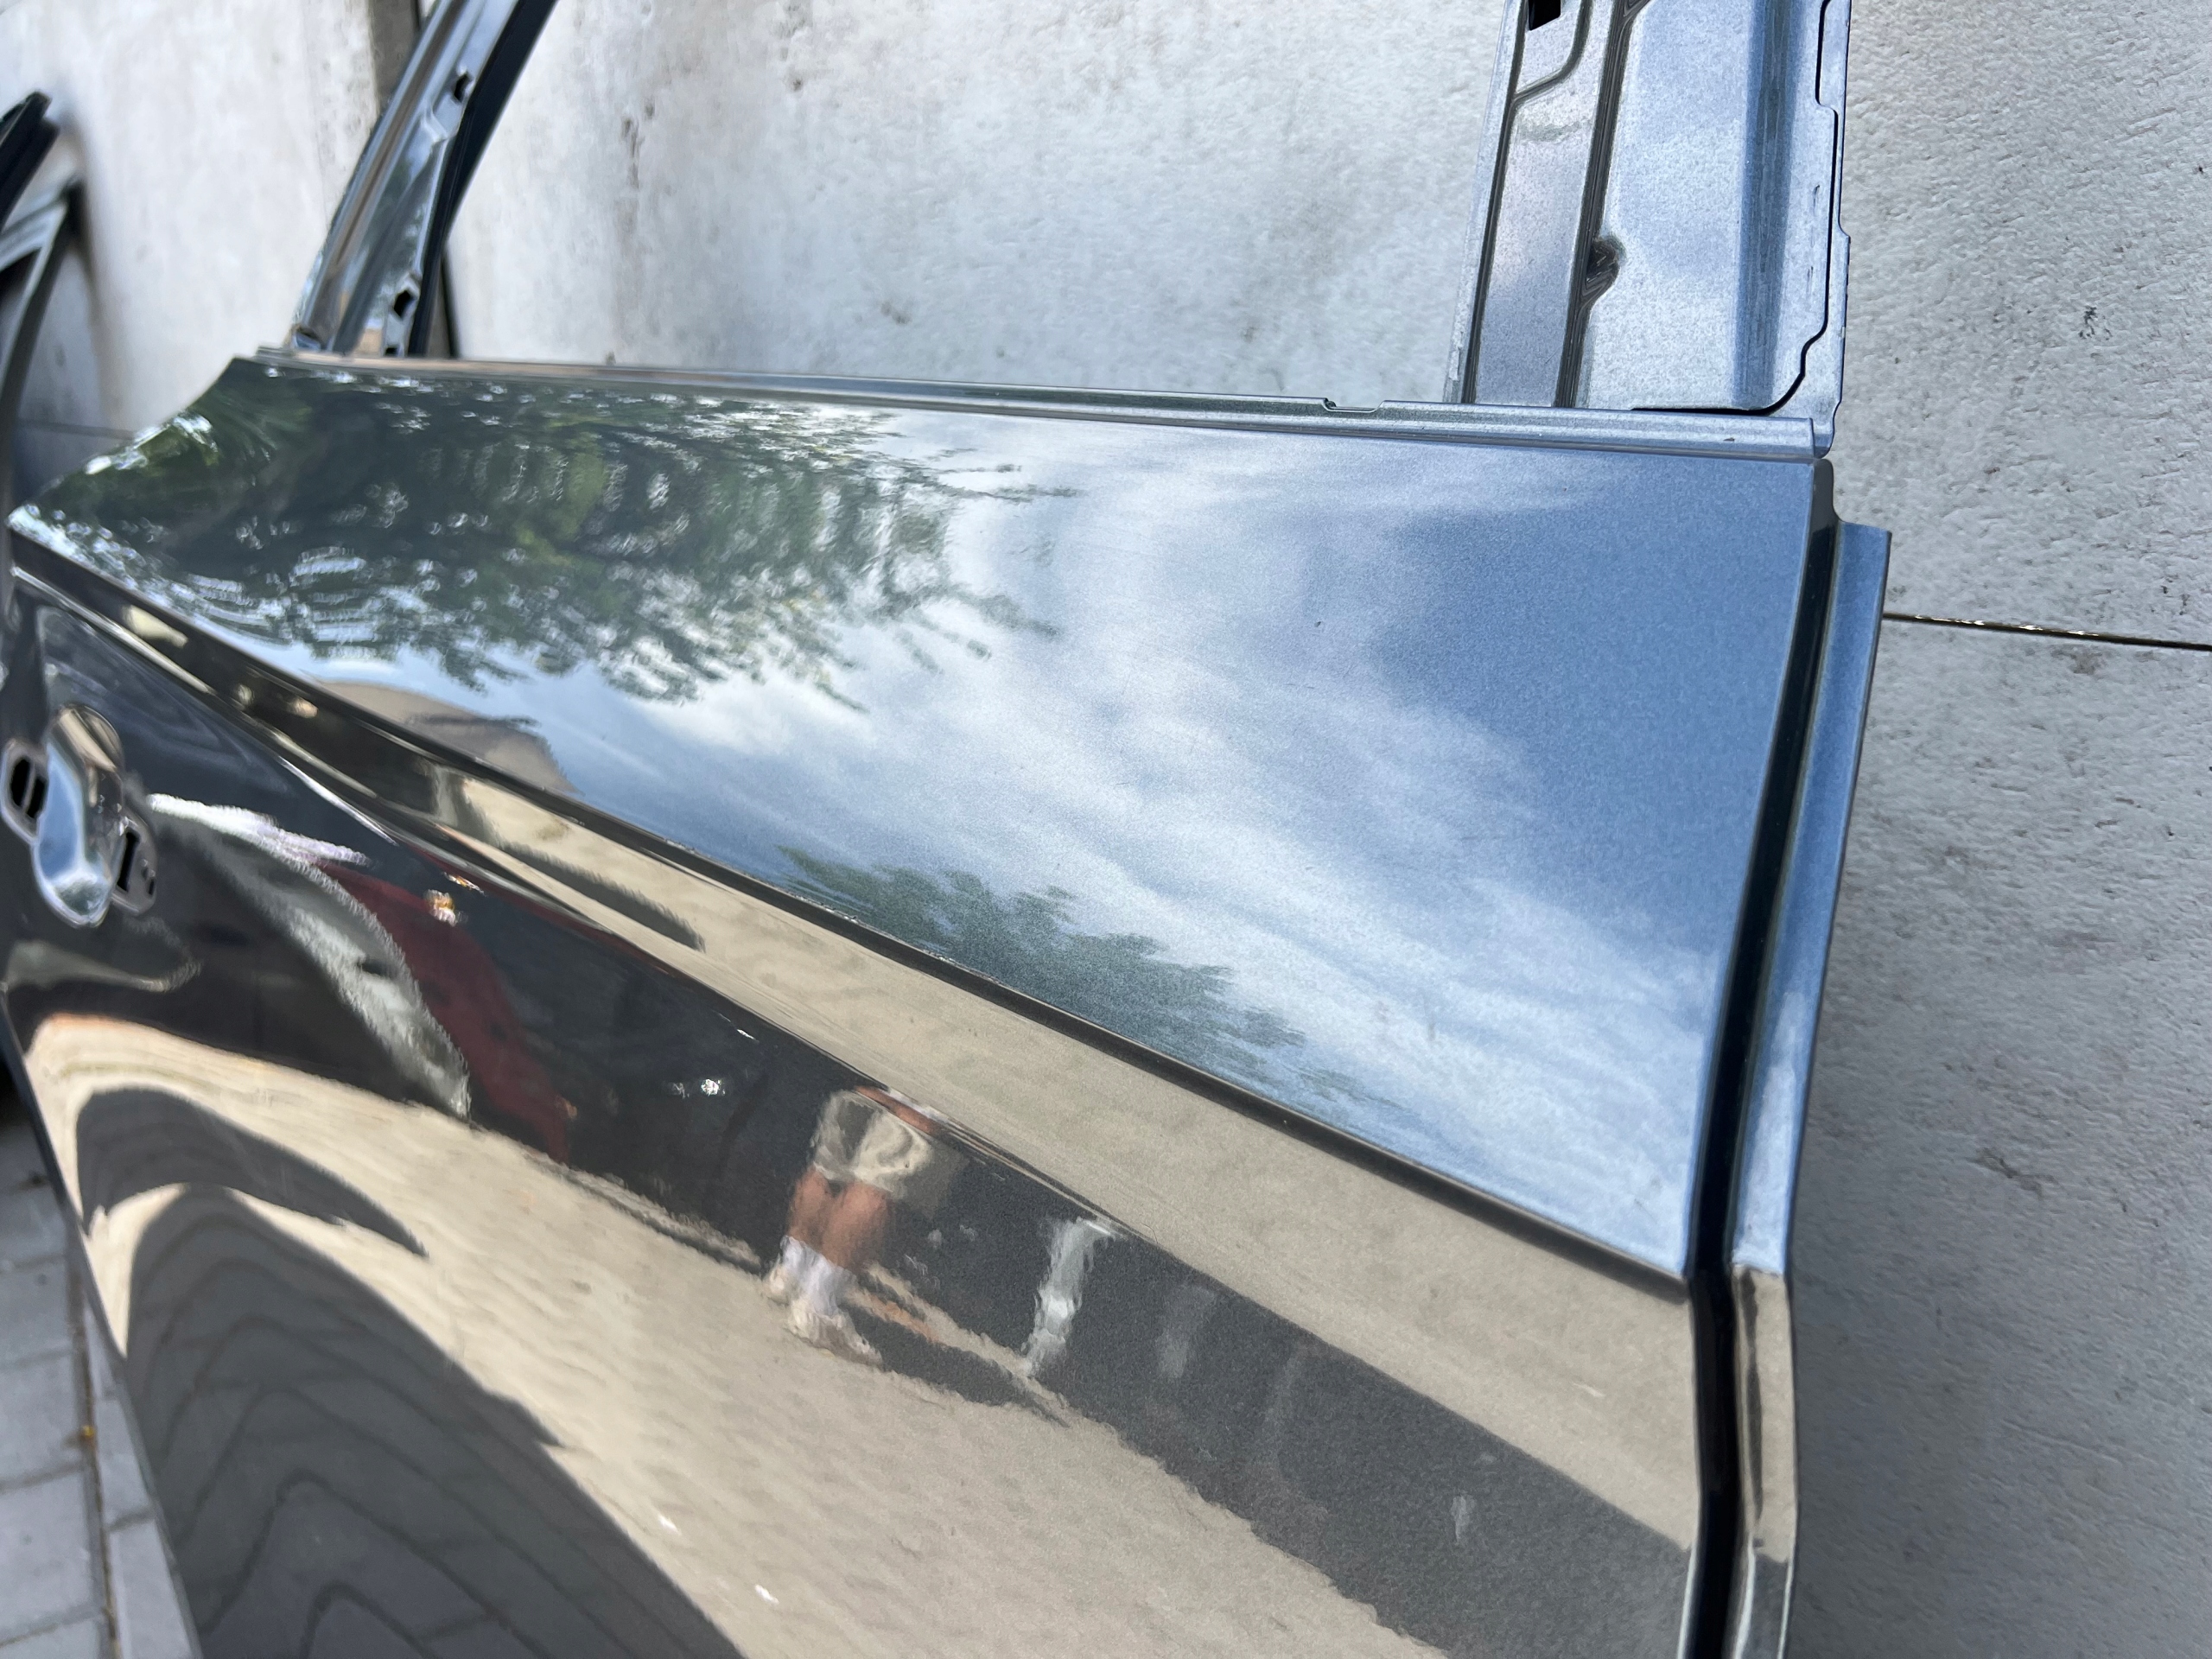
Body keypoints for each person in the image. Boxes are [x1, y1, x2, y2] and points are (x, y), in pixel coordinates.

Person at [766, 1083, 963, 1365]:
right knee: (883, 1176)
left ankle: (789, 1273)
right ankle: (818, 1306)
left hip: (877, 1073)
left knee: (831, 1169)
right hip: (921, 1090)